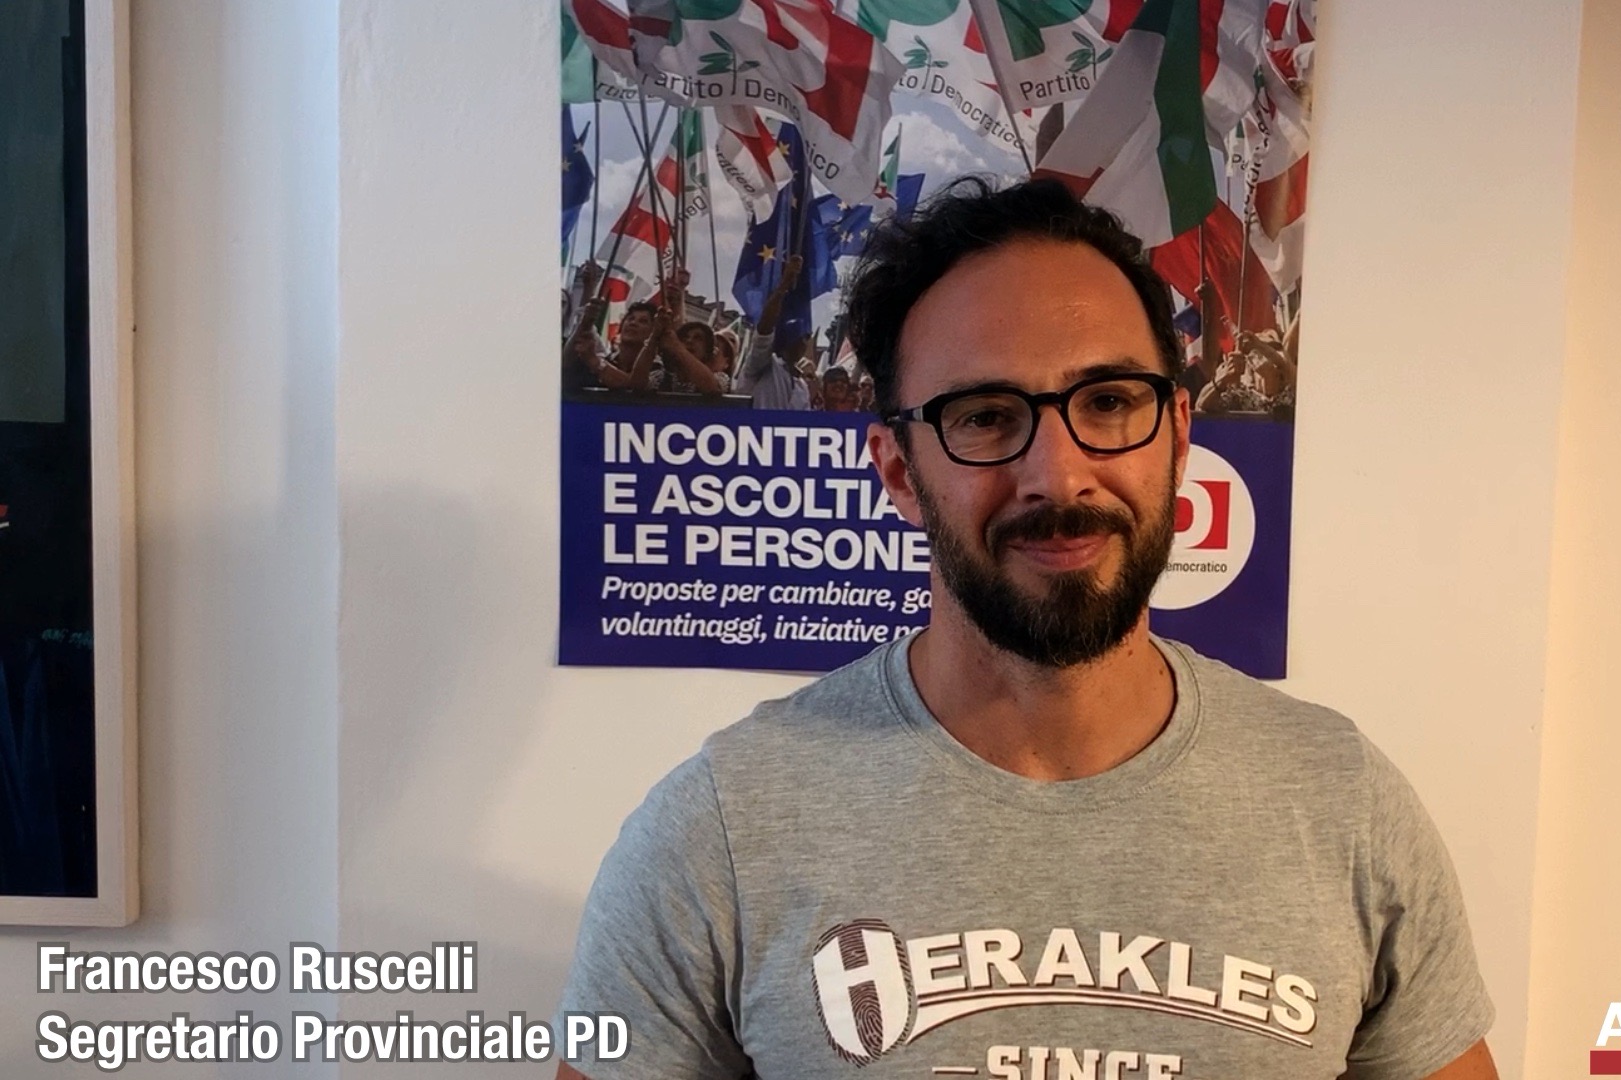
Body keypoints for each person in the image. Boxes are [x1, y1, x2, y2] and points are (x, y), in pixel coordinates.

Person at [554, 178, 1498, 1079]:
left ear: (1177, 433)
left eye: (1109, 402)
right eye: (986, 416)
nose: (1059, 475)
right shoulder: (721, 831)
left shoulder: (1345, 807)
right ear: (897, 471)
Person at [732, 254, 816, 411]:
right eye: (800, 336)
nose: (805, 342)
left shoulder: (801, 386)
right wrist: (784, 285)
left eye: (807, 337)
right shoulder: (761, 364)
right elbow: (765, 328)